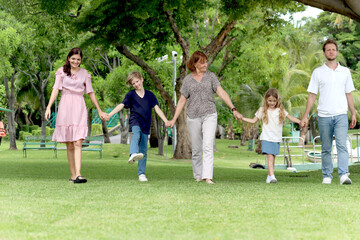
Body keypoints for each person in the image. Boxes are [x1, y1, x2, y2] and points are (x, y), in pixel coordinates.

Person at [167, 51, 242, 184]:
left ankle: (208, 177)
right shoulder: (188, 80)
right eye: (202, 62)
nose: (205, 64)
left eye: (206, 62)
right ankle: (198, 175)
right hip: (193, 116)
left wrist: (233, 109)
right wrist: (174, 119)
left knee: (207, 146)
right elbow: (182, 100)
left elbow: (222, 93)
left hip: (209, 114)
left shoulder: (211, 77)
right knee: (196, 148)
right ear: (194, 64)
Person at [45, 48, 106, 184]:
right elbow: (56, 89)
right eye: (73, 59)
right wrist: (49, 107)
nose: (75, 61)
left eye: (78, 59)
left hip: (79, 106)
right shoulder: (61, 72)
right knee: (69, 144)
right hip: (65, 105)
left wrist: (99, 109)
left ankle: (79, 174)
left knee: (78, 141)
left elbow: (90, 92)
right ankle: (73, 175)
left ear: (81, 60)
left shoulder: (85, 74)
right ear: (68, 58)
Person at [300, 39, 356, 185]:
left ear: (337, 52)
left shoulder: (345, 72)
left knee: (341, 145)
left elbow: (348, 94)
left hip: (341, 115)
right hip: (324, 116)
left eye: (333, 49)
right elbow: (312, 95)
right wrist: (306, 115)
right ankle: (327, 176)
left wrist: (353, 113)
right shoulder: (318, 72)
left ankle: (344, 175)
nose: (331, 52)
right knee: (325, 147)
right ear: (324, 53)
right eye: (328, 50)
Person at [103, 71, 169, 182]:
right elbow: (121, 105)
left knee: (143, 150)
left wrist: (166, 120)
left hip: (146, 124)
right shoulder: (131, 95)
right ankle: (133, 153)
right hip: (135, 121)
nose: (136, 85)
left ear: (141, 79)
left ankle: (141, 174)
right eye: (133, 83)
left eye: (137, 82)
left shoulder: (150, 95)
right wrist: (110, 114)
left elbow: (157, 109)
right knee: (136, 134)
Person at [242, 88, 300, 183]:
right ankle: (272, 176)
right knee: (269, 156)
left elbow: (291, 117)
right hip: (266, 137)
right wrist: (242, 118)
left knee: (273, 157)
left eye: (274, 101)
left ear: (277, 100)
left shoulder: (280, 110)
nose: (272, 103)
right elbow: (253, 120)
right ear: (266, 100)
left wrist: (300, 121)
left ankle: (269, 176)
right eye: (269, 101)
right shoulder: (262, 110)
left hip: (276, 138)